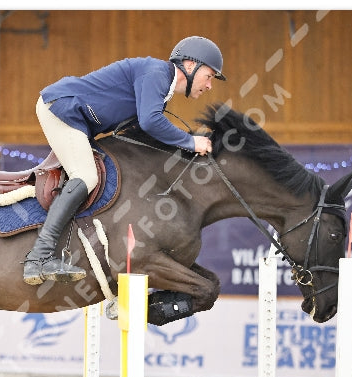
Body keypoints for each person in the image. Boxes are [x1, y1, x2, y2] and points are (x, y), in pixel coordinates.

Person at [23, 36, 226, 285]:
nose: (209, 85)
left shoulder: (160, 86)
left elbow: (143, 129)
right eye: (210, 75)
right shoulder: (157, 74)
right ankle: (38, 257)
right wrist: (191, 142)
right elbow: (151, 122)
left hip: (78, 119)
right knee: (86, 177)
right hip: (62, 109)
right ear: (191, 65)